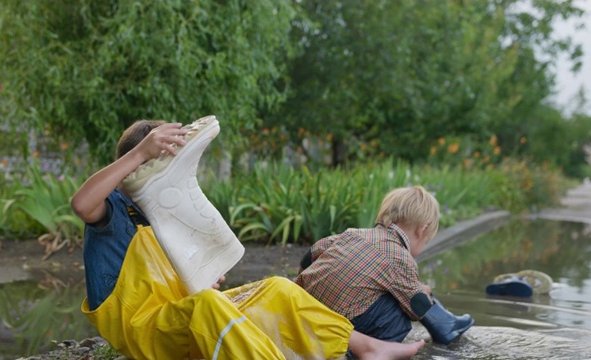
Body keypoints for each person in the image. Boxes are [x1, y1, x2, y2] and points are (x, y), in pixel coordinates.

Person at [71, 117, 425, 359]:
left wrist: (201, 278)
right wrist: (140, 153)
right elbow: (81, 204)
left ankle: (365, 347)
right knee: (209, 306)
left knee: (277, 287)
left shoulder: (167, 213)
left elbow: (179, 286)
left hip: (178, 320)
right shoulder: (114, 209)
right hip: (144, 332)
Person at [295, 186, 474, 346]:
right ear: (422, 230)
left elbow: (308, 256)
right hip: (341, 327)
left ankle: (445, 325)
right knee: (399, 312)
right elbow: (415, 309)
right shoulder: (401, 257)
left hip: (309, 311)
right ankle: (364, 351)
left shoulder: (352, 234)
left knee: (394, 291)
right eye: (426, 241)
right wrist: (423, 292)